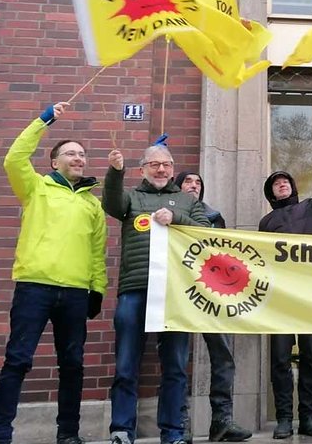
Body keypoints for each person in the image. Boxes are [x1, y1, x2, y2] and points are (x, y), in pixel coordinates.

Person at [0, 102, 108, 444]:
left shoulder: (93, 204)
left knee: (72, 364)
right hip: (34, 289)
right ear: (54, 162)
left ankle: (68, 433)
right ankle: (0, 434)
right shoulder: (36, 188)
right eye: (70, 153)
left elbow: (97, 251)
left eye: (82, 154)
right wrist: (45, 120)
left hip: (74, 293)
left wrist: (96, 289)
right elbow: (13, 159)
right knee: (18, 360)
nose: (78, 158)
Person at [103, 145, 226, 444]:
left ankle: (172, 433)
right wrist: (115, 172)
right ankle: (121, 429)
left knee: (174, 366)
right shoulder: (132, 196)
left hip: (176, 292)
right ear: (143, 168)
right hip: (135, 288)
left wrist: (177, 219)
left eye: (166, 165)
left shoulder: (186, 200)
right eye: (154, 164)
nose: (161, 170)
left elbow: (204, 234)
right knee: (126, 364)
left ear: (172, 168)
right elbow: (111, 205)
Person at [259, 136, 312, 439]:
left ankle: (308, 416)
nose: (282, 184)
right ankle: (283, 418)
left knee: (310, 355)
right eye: (276, 183)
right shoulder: (266, 222)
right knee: (280, 358)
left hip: (309, 294)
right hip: (279, 297)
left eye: (285, 181)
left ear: (293, 187)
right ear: (271, 191)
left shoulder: (309, 208)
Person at [174, 169, 253, 443]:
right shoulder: (164, 211)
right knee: (176, 358)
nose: (193, 185)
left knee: (223, 355)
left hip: (211, 294)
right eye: (187, 181)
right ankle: (178, 424)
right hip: (177, 293)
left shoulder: (214, 217)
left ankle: (222, 421)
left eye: (198, 182)